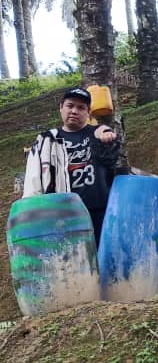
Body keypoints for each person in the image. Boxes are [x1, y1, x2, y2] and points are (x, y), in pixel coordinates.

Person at [23, 87, 120, 246]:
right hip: (63, 216)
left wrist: (106, 135)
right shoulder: (47, 140)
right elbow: (33, 178)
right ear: (61, 108)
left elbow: (106, 141)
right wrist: (31, 211)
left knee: (104, 259)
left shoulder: (95, 133)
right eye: (70, 106)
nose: (74, 111)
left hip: (101, 212)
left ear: (88, 112)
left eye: (81, 108)